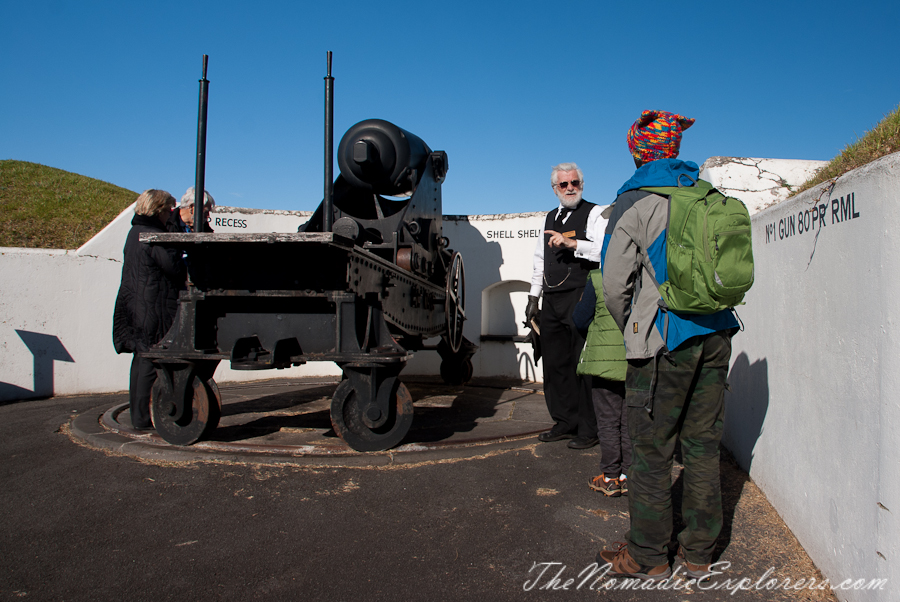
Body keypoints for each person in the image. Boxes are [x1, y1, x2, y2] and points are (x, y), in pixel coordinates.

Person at [596, 111, 739, 581]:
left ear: (639, 150)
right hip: (717, 334)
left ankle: (648, 554)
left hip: (665, 343)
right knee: (701, 447)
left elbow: (615, 285)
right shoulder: (707, 193)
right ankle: (699, 553)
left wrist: (633, 331)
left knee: (651, 453)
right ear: (674, 149)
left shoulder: (634, 200)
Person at [526, 162, 604, 449]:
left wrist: (572, 244)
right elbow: (539, 260)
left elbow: (602, 249)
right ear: (555, 188)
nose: (570, 188)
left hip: (581, 296)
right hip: (552, 299)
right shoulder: (549, 217)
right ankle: (564, 421)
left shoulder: (594, 213)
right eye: (564, 184)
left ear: (581, 185)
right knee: (555, 363)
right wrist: (533, 297)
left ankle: (588, 428)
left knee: (581, 364)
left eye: (575, 183)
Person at [112, 190, 186, 430]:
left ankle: (139, 416)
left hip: (135, 304)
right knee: (150, 361)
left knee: (140, 359)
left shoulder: (135, 233)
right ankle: (143, 420)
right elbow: (174, 268)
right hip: (153, 305)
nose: (169, 215)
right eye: (167, 210)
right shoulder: (154, 236)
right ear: (158, 210)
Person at [571, 268, 629, 496]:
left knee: (607, 421)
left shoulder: (598, 277)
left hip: (603, 361)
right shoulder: (644, 271)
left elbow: (580, 318)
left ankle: (611, 477)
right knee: (629, 421)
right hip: (635, 358)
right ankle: (629, 475)